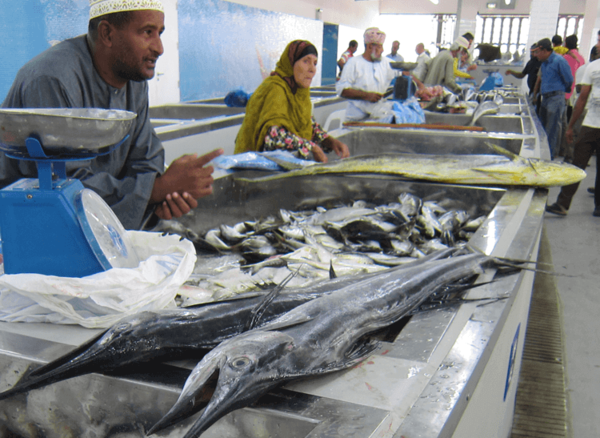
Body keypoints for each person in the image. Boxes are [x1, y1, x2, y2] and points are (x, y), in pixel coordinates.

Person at [0, 0, 223, 230]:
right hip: (24, 231)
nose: (159, 47)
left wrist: (157, 198)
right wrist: (154, 191)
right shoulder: (52, 80)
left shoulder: (133, 81)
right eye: (147, 32)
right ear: (107, 33)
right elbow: (62, 187)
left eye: (160, 33)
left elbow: (146, 158)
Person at [235, 40, 349, 163]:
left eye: (315, 63)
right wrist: (311, 147)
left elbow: (308, 124)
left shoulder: (299, 92)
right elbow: (273, 136)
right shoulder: (276, 88)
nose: (312, 69)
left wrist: (330, 141)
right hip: (253, 167)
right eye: (306, 61)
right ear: (291, 62)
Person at [545, 58, 600, 217]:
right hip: (590, 124)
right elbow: (582, 98)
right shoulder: (592, 67)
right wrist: (571, 126)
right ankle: (562, 204)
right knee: (577, 164)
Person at [336, 27, 401, 121]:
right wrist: (366, 95)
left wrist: (421, 87)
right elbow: (342, 90)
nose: (382, 50)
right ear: (370, 46)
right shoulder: (353, 63)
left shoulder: (385, 63)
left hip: (376, 116)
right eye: (379, 46)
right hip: (355, 119)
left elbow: (403, 70)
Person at [532, 38, 573, 160]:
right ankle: (543, 154)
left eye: (537, 52)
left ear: (545, 50)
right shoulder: (544, 63)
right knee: (543, 128)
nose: (535, 55)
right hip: (545, 98)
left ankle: (549, 157)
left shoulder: (559, 61)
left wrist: (561, 91)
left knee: (552, 129)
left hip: (556, 97)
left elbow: (569, 79)